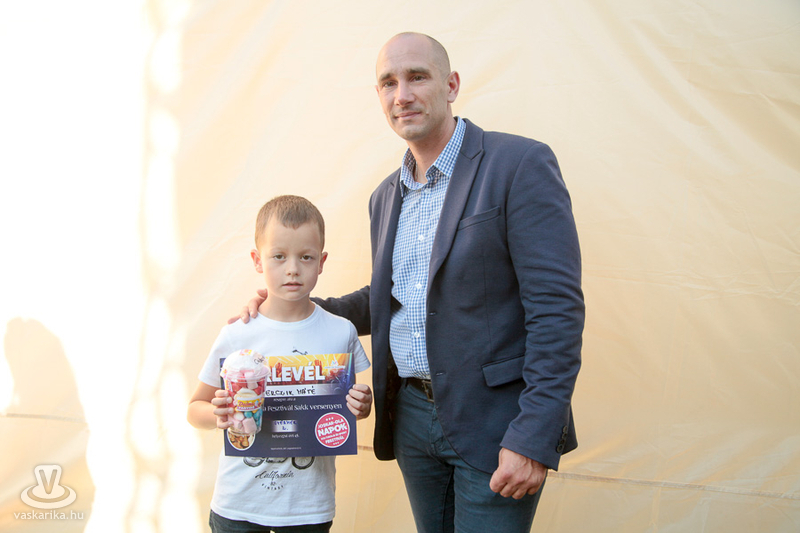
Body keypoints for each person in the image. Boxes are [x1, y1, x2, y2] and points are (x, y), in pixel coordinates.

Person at [236, 33, 584, 533]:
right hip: (412, 420)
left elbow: (556, 312)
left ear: (451, 85)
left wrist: (534, 435)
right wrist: (289, 307)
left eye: (417, 77)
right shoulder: (385, 197)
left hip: (496, 422)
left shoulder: (518, 164)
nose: (402, 94)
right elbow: (392, 298)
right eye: (388, 82)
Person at [190, 195, 373, 533]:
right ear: (257, 260)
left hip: (308, 507)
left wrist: (361, 405)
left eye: (306, 257)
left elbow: (349, 406)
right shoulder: (237, 333)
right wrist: (219, 415)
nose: (292, 269)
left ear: (322, 261)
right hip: (238, 504)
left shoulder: (341, 332)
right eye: (278, 256)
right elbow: (194, 409)